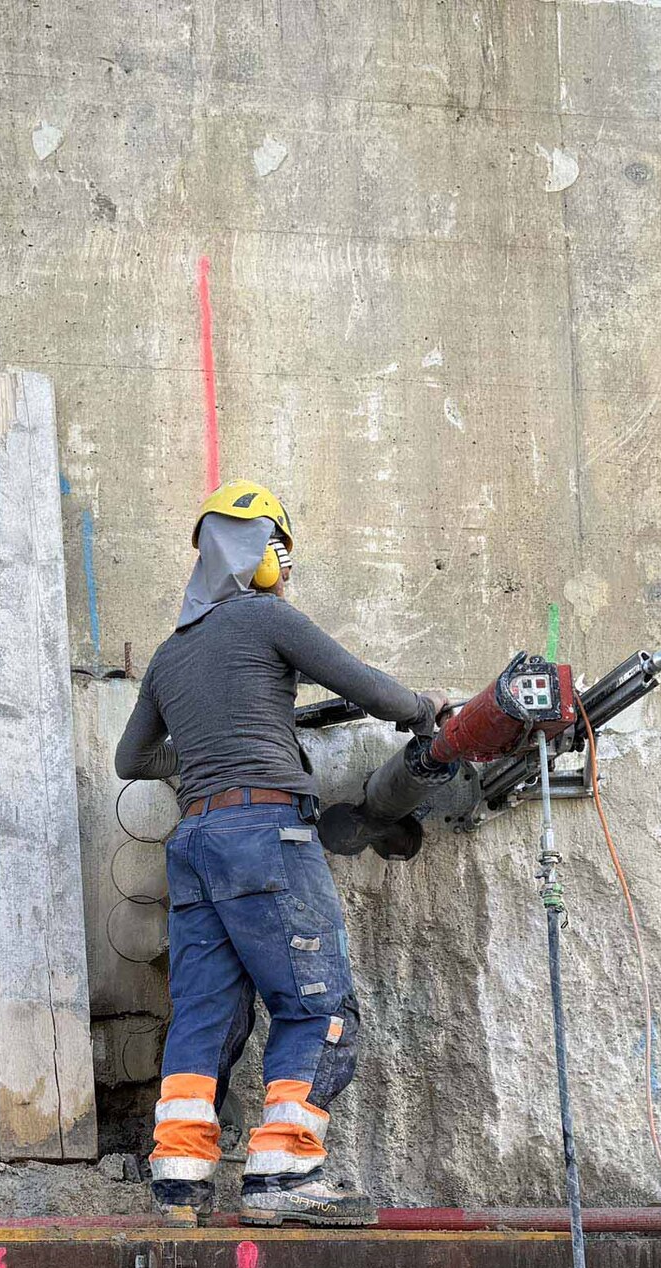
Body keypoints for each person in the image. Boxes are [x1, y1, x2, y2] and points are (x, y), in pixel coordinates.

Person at [113, 481, 436, 1226]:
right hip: (266, 836)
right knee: (319, 1006)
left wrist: (207, 758)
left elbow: (132, 759)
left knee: (203, 1016)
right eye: (279, 552)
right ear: (259, 554)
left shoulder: (170, 654)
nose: (284, 568)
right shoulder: (267, 618)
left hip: (194, 845)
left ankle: (179, 1180)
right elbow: (369, 689)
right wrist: (426, 711)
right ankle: (284, 1174)